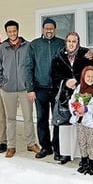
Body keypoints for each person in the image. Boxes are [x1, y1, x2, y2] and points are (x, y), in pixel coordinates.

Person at [0, 20, 41, 158]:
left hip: (25, 89)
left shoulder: (27, 46)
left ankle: (31, 143)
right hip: (7, 89)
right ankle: (11, 146)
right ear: (6, 32)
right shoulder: (2, 48)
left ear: (18, 30)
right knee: (10, 119)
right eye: (9, 31)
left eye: (14, 31)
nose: (12, 33)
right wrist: (1, 85)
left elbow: (32, 66)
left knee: (28, 118)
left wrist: (31, 85)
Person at [51, 31, 93, 164]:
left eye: (74, 41)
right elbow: (54, 75)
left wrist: (77, 80)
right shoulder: (58, 56)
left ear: (78, 43)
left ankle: (81, 154)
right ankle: (64, 153)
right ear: (66, 42)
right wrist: (65, 81)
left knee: (80, 125)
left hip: (81, 95)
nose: (71, 44)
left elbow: (91, 72)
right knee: (64, 125)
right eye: (69, 41)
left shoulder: (85, 55)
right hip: (64, 95)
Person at [26, 18, 65, 160]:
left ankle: (58, 149)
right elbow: (28, 67)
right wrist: (30, 88)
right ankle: (46, 147)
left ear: (55, 29)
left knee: (57, 120)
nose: (49, 30)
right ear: (43, 29)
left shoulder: (61, 44)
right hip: (40, 88)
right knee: (42, 119)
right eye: (46, 28)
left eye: (51, 28)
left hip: (57, 89)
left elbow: (73, 54)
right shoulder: (34, 45)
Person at [69, 66, 93, 175]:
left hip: (91, 121)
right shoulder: (79, 88)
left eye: (92, 76)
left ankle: (92, 164)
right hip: (80, 120)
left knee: (91, 143)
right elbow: (72, 100)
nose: (90, 79)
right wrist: (75, 110)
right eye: (88, 76)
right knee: (82, 142)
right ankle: (84, 161)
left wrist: (86, 108)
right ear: (83, 77)